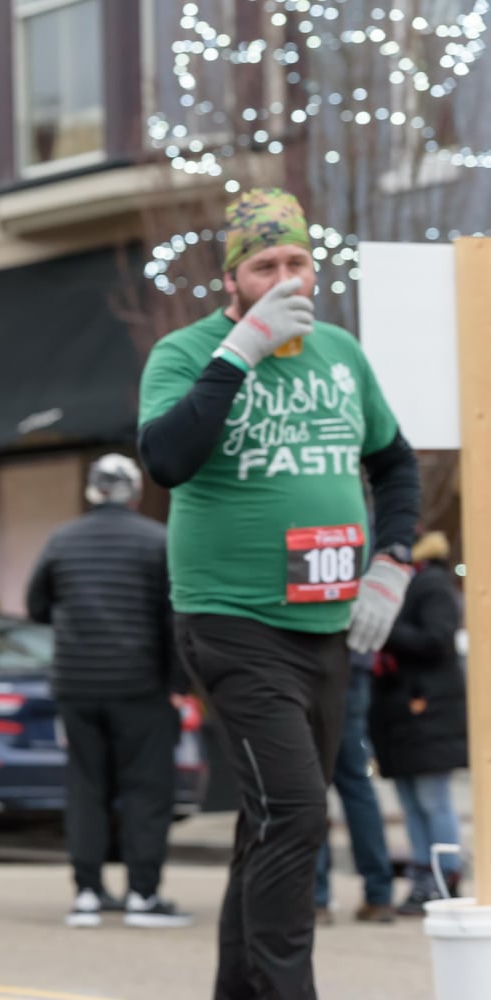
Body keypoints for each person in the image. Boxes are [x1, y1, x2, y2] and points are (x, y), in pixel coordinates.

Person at [138, 188, 419, 999]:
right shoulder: (188, 354)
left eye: (298, 262)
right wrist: (240, 354)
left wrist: (392, 560)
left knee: (273, 819)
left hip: (327, 624)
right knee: (297, 813)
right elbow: (167, 459)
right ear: (233, 280)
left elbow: (396, 464)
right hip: (231, 620)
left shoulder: (340, 352)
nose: (286, 277)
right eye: (265, 265)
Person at [25, 454, 191, 929]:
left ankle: (88, 894)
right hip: (142, 685)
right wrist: (179, 684)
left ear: (92, 492)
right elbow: (173, 618)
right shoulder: (158, 541)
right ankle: (143, 894)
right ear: (136, 494)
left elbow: (37, 605)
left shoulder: (62, 539)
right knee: (147, 789)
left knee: (85, 788)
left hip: (77, 684)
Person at [369, 530, 466, 916]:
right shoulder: (409, 584)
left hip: (428, 710)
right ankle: (423, 877)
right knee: (411, 803)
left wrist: (384, 628)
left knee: (432, 799)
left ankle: (445, 876)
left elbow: (437, 638)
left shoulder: (431, 584)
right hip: (399, 711)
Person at [313, 650, 395, 925]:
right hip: (353, 668)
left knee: (312, 784)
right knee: (357, 785)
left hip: (309, 664)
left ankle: (316, 900)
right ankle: (379, 896)